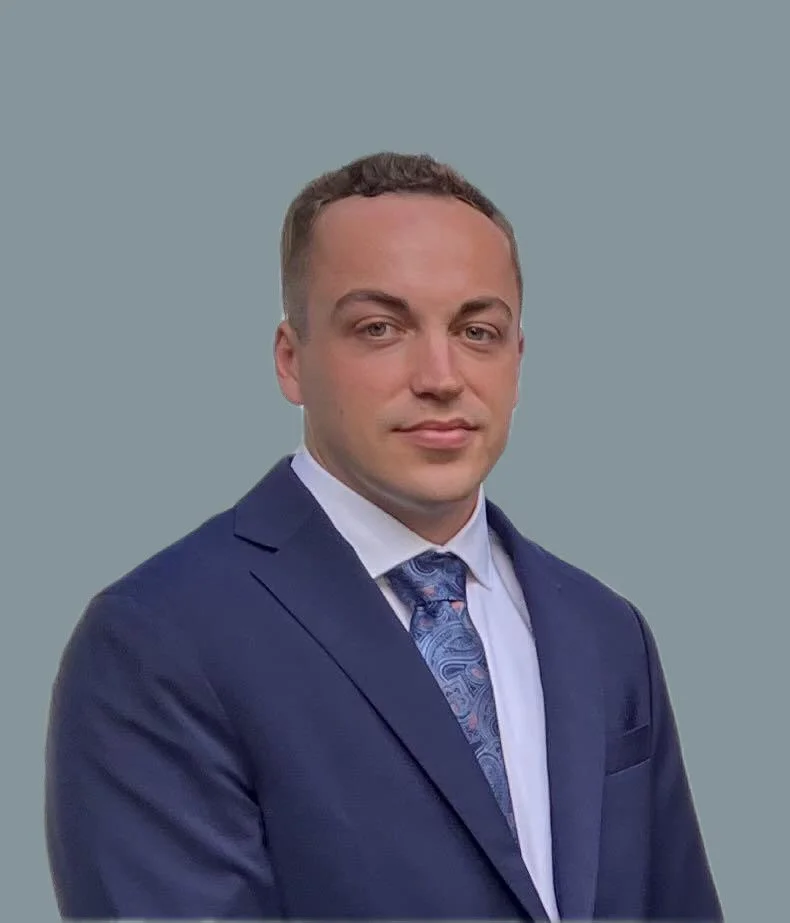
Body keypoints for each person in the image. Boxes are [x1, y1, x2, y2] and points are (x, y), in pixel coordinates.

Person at [45, 152, 722, 921]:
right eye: (380, 327)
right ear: (291, 360)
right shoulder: (159, 639)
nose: (441, 374)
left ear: (517, 360)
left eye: (478, 329)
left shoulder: (606, 631)